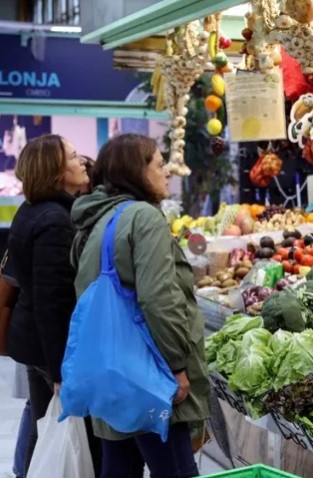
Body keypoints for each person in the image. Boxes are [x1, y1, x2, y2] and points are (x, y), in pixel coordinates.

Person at [71, 133, 209, 478]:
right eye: (160, 165)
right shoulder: (143, 217)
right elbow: (157, 298)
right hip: (148, 375)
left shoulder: (97, 221)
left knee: (119, 469)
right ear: (136, 170)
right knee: (175, 470)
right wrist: (177, 366)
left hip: (111, 372)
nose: (167, 173)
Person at [4, 134, 95, 476]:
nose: (81, 162)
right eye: (73, 157)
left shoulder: (35, 210)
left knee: (44, 424)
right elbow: (52, 303)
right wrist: (61, 372)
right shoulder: (56, 221)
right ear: (57, 172)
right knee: (52, 430)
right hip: (47, 348)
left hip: (33, 341)